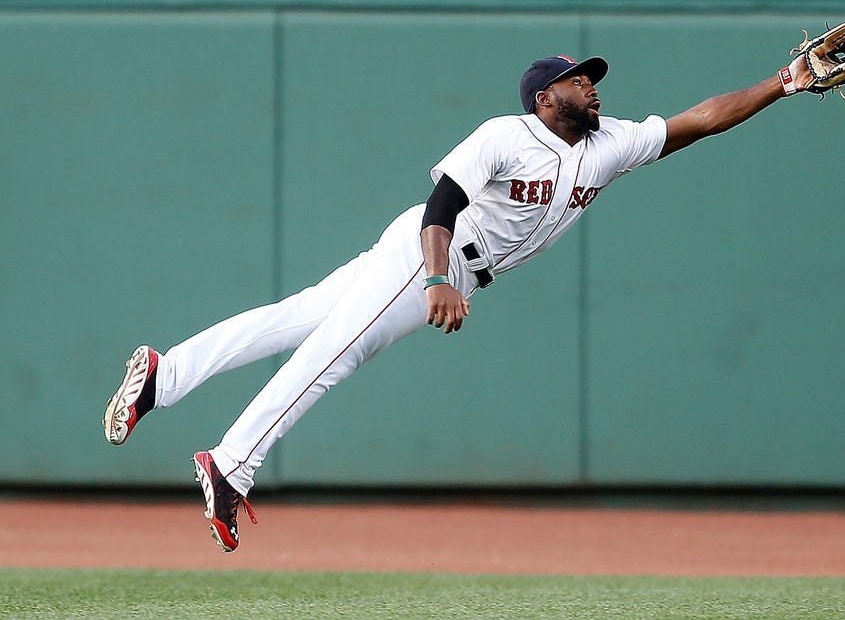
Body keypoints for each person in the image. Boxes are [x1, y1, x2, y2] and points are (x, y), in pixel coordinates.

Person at [103, 52, 805, 553]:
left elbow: (703, 120)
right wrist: (437, 279)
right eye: (577, 79)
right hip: (429, 254)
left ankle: (166, 375)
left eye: (592, 78)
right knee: (334, 352)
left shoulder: (612, 143)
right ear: (542, 97)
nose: (592, 86)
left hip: (442, 264)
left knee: (304, 316)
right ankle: (233, 462)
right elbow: (443, 203)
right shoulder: (507, 134)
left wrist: (783, 81)